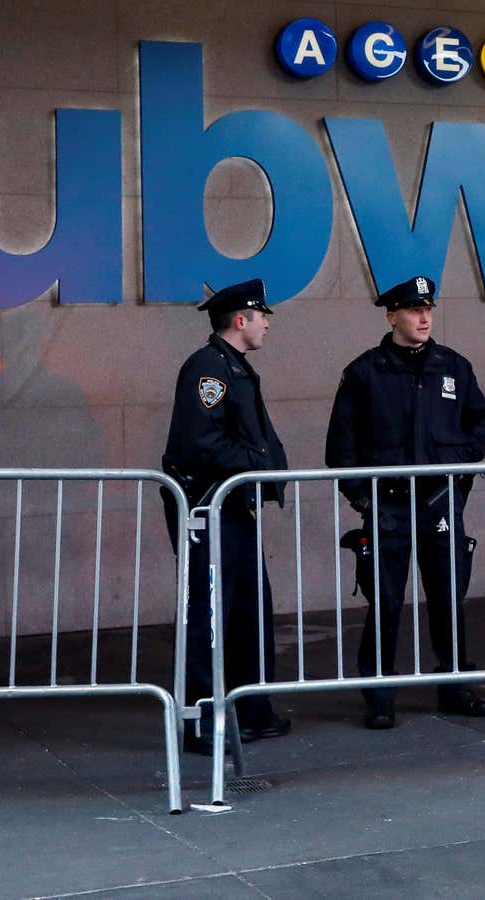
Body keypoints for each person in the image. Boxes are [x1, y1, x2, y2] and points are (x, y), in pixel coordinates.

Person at [325, 275, 485, 729]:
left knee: (447, 600)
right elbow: (341, 447)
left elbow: (479, 424)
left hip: (440, 504)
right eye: (414, 310)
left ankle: (456, 685)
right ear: (391, 315)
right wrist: (364, 501)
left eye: (428, 309)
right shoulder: (365, 372)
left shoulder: (453, 366)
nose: (424, 317)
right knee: (386, 603)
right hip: (389, 508)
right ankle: (380, 695)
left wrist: (456, 479)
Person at [162, 278, 291, 756]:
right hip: (211, 512)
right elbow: (200, 443)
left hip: (234, 510)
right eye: (262, 316)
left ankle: (253, 711)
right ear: (241, 320)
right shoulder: (209, 371)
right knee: (209, 616)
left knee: (249, 613)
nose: (267, 324)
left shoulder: (232, 366)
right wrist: (258, 465)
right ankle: (200, 722)